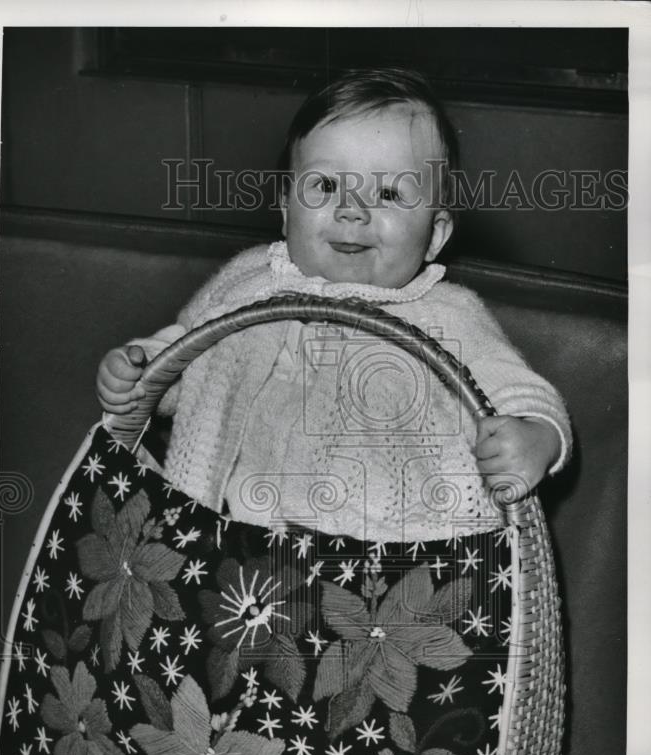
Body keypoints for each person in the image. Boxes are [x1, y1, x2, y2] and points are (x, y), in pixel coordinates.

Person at [96, 68, 571, 543]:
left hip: (385, 559)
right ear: (284, 207)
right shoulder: (249, 282)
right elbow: (188, 355)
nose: (352, 209)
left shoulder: (446, 314)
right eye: (325, 186)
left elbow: (519, 392)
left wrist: (538, 439)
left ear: (435, 235)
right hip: (226, 541)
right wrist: (142, 372)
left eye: (387, 193)